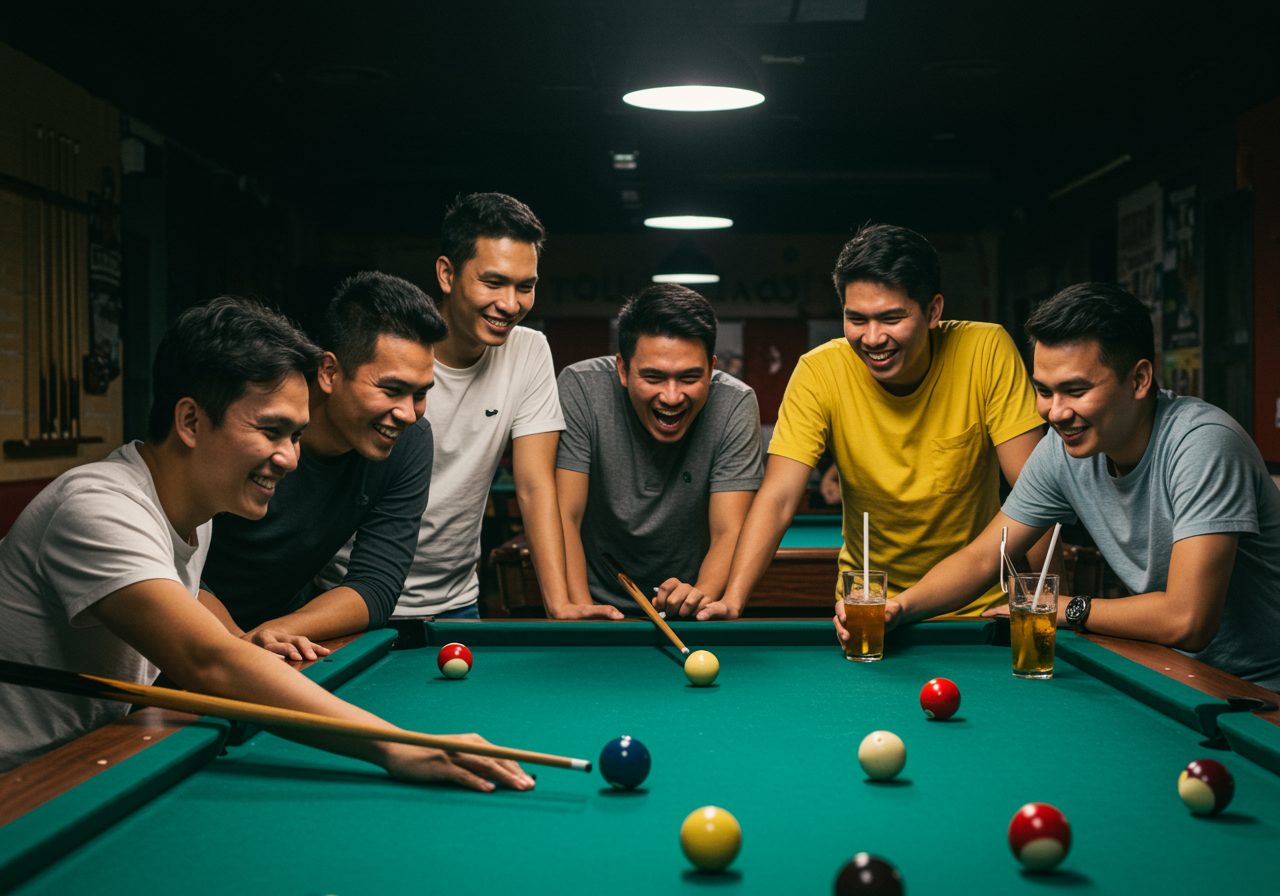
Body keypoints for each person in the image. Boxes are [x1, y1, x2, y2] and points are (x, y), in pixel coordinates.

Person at [0, 297, 531, 788]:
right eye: (272, 431)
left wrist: (244, 640)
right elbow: (206, 660)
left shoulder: (197, 511)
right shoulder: (96, 507)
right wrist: (400, 746)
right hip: (21, 776)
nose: (290, 457)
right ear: (190, 420)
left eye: (296, 435)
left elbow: (213, 642)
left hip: (89, 755)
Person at [872, 283, 1280, 691]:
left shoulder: (1203, 444)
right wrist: (900, 606)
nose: (1056, 412)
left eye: (1076, 391)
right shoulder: (1063, 450)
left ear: (1139, 379)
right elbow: (982, 558)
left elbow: (1187, 620)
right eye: (1043, 391)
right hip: (1170, 673)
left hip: (1259, 691)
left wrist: (1066, 607)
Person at [703, 223, 1051, 621]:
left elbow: (1035, 496)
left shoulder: (986, 351)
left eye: (890, 318)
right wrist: (734, 598)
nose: (871, 338)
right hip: (866, 609)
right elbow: (779, 497)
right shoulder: (819, 372)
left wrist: (1051, 612)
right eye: (857, 319)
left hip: (977, 611)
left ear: (933, 311)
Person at [318, 194, 602, 619]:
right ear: (447, 274)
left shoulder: (529, 351)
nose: (510, 304)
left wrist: (559, 604)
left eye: (525, 287)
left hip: (455, 603)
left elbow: (534, 484)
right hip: (343, 596)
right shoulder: (392, 351)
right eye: (493, 282)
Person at [201, 272, 444, 655]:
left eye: (420, 394)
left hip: (282, 638)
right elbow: (174, 560)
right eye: (392, 390)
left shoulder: (409, 442)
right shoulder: (248, 417)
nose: (409, 414)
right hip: (178, 623)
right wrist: (236, 645)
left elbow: (376, 586)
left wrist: (269, 635)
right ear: (329, 372)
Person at [556, 284, 765, 617]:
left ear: (711, 369)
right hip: (595, 599)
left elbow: (729, 530)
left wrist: (700, 596)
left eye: (690, 377)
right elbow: (565, 515)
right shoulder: (581, 388)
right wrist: (583, 613)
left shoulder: (735, 403)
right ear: (622, 369)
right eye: (653, 377)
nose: (671, 397)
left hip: (690, 607)